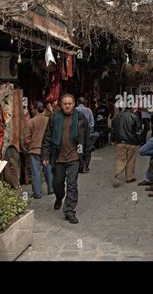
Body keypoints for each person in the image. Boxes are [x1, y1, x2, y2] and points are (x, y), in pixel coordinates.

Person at [41, 94, 90, 224]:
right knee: (57, 183)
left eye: (70, 103)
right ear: (61, 105)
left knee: (72, 184)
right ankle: (59, 197)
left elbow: (86, 139)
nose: (67, 106)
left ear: (74, 104)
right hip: (58, 157)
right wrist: (45, 155)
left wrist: (86, 159)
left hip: (74, 157)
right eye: (65, 104)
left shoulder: (80, 118)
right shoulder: (55, 117)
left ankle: (69, 211)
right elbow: (47, 137)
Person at [24, 101, 53, 199]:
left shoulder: (31, 122)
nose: (31, 110)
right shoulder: (48, 120)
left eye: (32, 108)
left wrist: (29, 145)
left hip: (34, 149)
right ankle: (51, 188)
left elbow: (26, 139)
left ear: (36, 109)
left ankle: (37, 193)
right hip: (47, 150)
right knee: (48, 169)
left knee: (35, 171)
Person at [112, 102, 142, 187]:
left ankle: (118, 174)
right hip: (132, 142)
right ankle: (129, 177)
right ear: (132, 108)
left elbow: (113, 129)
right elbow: (138, 131)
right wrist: (139, 141)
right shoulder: (134, 116)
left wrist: (113, 140)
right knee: (131, 159)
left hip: (120, 142)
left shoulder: (117, 116)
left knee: (120, 159)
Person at [75, 97, 100, 173]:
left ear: (78, 102)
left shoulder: (74, 110)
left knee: (79, 149)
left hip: (77, 134)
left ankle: (80, 165)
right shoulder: (88, 110)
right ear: (84, 103)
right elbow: (92, 123)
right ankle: (85, 166)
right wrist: (89, 131)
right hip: (87, 133)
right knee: (87, 149)